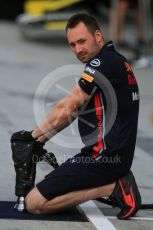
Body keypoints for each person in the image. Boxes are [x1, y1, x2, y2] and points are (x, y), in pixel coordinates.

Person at [11, 13, 141, 220]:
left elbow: (69, 105)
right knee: (46, 192)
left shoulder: (102, 64)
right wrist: (39, 140)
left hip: (104, 158)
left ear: (98, 36)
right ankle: (114, 184)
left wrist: (33, 136)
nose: (78, 50)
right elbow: (73, 112)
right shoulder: (113, 60)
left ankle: (113, 187)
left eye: (82, 41)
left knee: (34, 203)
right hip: (106, 156)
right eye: (72, 44)